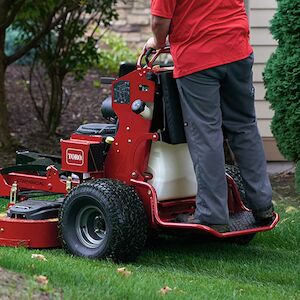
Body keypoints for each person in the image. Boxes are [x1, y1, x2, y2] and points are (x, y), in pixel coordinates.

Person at [145, 0, 274, 232]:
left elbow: (159, 21)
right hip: (237, 51)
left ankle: (211, 213)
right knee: (244, 127)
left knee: (205, 133)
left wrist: (157, 42)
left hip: (199, 58)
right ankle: (262, 205)